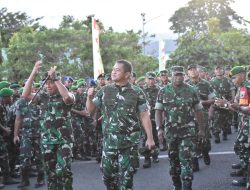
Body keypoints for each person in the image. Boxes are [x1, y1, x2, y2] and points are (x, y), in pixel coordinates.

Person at [86, 59, 155, 190]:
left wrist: (150, 137)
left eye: (117, 70)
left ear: (127, 74)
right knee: (108, 177)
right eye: (113, 69)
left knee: (127, 178)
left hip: (129, 143)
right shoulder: (105, 90)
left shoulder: (137, 92)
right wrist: (89, 97)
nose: (113, 72)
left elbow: (144, 115)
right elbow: (90, 110)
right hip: (109, 142)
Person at [22, 61, 75, 190]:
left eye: (51, 83)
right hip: (47, 141)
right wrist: (33, 72)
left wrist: (55, 78)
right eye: (47, 83)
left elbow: (67, 98)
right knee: (50, 174)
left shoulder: (68, 94)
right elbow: (25, 95)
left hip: (64, 141)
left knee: (63, 171)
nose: (48, 86)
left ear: (58, 82)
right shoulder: (43, 97)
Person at [155, 66, 205, 190]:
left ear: (184, 75)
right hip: (171, 132)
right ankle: (176, 184)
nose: (178, 77)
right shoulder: (163, 91)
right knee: (173, 161)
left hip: (187, 132)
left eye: (180, 75)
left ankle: (187, 185)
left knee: (186, 159)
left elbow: (198, 110)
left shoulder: (191, 90)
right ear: (171, 76)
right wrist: (159, 128)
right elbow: (158, 111)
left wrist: (201, 129)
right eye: (176, 75)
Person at [187, 64, 216, 171]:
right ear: (188, 73)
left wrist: (203, 103)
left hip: (203, 116)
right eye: (191, 70)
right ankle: (194, 162)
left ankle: (205, 152)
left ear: (198, 71)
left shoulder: (206, 84)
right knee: (191, 139)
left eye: (195, 69)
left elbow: (213, 100)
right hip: (189, 117)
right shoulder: (185, 85)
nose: (193, 71)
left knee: (204, 139)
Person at [141, 71, 160, 168]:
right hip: (145, 118)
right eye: (149, 79)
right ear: (145, 79)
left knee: (155, 136)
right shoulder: (141, 90)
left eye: (152, 79)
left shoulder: (159, 90)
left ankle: (155, 154)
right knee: (146, 137)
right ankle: (147, 158)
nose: (151, 81)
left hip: (156, 116)